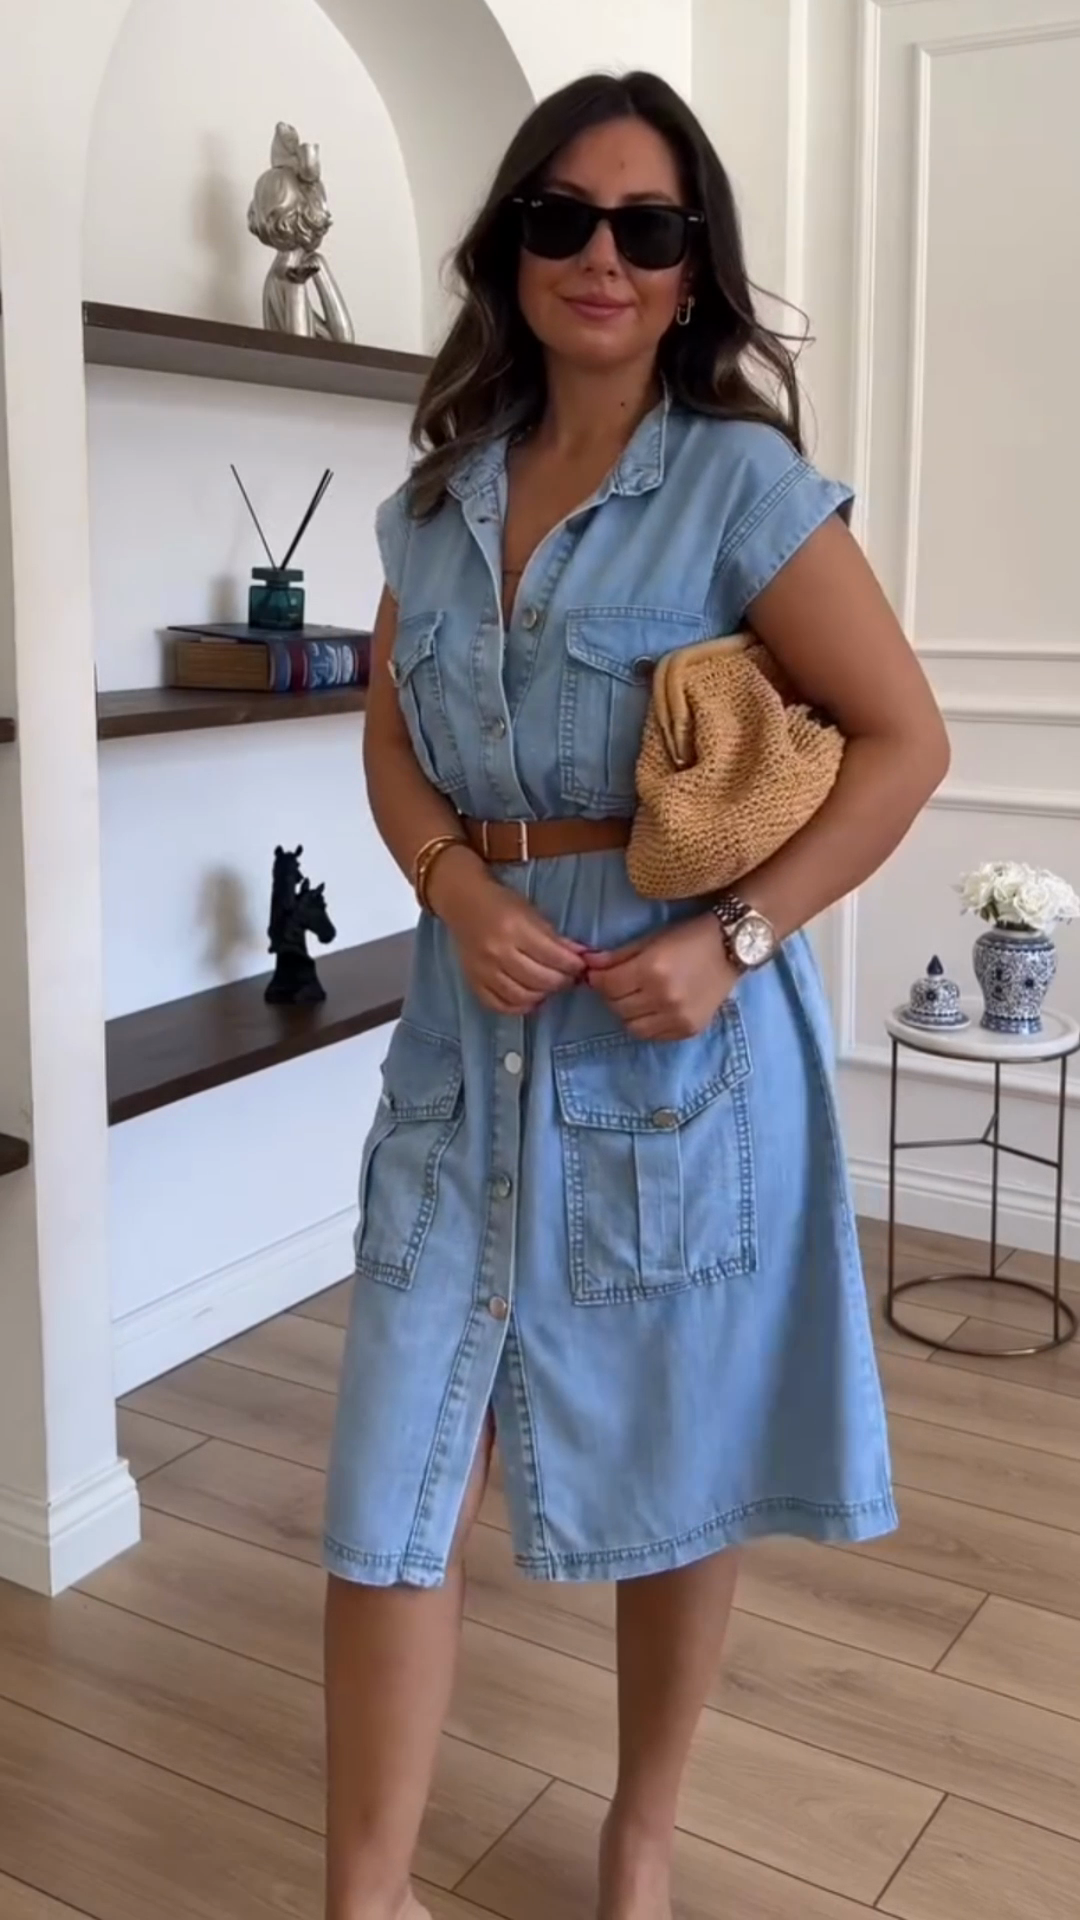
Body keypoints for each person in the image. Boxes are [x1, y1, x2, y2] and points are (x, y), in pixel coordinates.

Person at [322, 69, 949, 1920]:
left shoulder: (741, 488)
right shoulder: (430, 506)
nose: (603, 255)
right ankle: (365, 1895)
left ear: (692, 273)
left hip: (672, 1048)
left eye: (649, 227)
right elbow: (393, 750)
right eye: (565, 217)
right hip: (466, 1045)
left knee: (680, 1457)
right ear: (511, 246)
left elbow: (904, 744)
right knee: (389, 1477)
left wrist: (737, 936)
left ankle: (642, 1842)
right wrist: (451, 885)